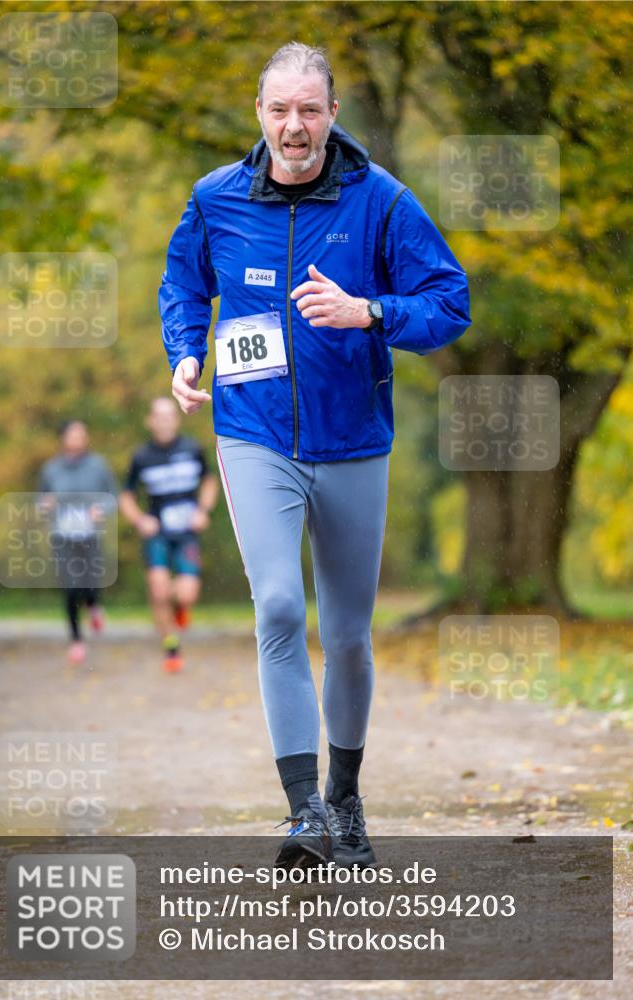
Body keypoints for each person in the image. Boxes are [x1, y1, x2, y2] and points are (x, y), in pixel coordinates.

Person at [159, 42, 471, 868]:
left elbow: (449, 303)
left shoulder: (383, 203)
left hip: (353, 442)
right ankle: (302, 812)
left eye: (308, 109)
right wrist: (185, 350)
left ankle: (344, 795)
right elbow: (185, 287)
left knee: (349, 633)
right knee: (278, 610)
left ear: (332, 114)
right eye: (278, 109)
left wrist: (368, 312)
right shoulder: (214, 200)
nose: (293, 125)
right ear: (257, 114)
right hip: (252, 432)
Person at [119, 397, 219, 672]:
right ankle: (171, 647)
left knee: (187, 594)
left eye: (169, 416)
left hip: (187, 532)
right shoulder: (141, 456)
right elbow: (126, 496)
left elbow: (209, 481)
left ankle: (180, 608)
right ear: (150, 421)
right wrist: (140, 520)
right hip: (158, 534)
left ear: (176, 419)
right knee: (159, 588)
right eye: (158, 416)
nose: (164, 421)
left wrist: (203, 510)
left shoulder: (192, 448)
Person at [37, 419, 119, 665]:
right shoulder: (51, 469)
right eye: (73, 434)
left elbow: (113, 496)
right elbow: (40, 500)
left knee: (90, 581)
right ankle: (76, 640)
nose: (78, 439)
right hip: (63, 537)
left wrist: (100, 509)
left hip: (90, 535)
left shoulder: (98, 465)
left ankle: (94, 605)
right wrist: (45, 506)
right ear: (63, 438)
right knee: (71, 586)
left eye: (82, 434)